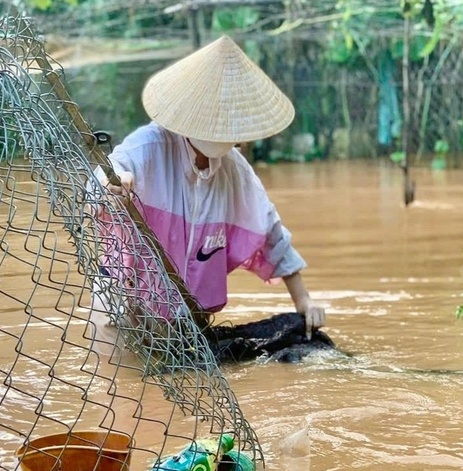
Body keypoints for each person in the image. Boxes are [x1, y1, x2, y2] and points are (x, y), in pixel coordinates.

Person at [91, 34, 325, 339]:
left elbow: (270, 231)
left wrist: (303, 300)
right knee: (123, 384)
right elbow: (101, 178)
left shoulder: (233, 169)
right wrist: (115, 185)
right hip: (124, 307)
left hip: (188, 318)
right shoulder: (149, 147)